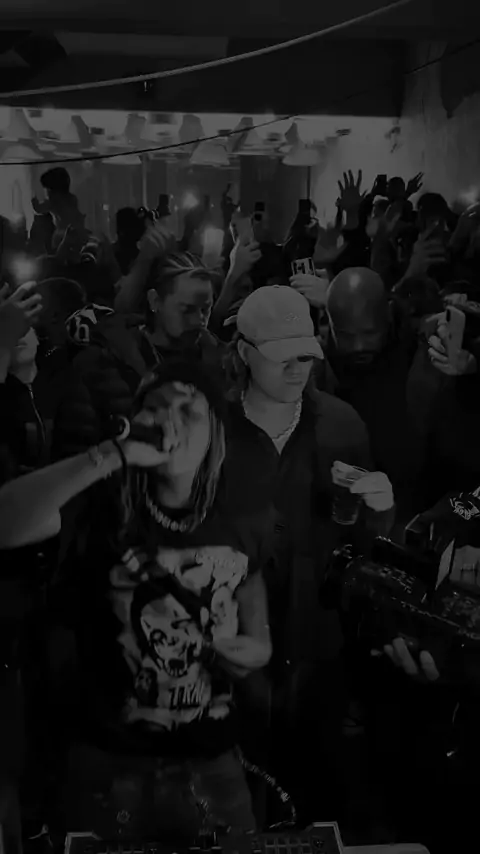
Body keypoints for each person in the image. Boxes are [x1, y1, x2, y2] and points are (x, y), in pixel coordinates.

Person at [0, 360, 272, 841]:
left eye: (189, 408)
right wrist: (114, 454)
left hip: (213, 763)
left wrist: (255, 650)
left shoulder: (242, 512)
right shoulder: (103, 505)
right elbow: (6, 522)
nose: (170, 419)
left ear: (214, 430)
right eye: (157, 406)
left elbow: (254, 610)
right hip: (110, 767)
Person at [222, 285, 395, 825]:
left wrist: (380, 512)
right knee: (233, 799)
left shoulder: (341, 425)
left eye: (306, 356)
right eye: (282, 357)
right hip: (230, 654)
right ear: (244, 352)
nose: (297, 370)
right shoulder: (210, 429)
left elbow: (363, 551)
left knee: (312, 796)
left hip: (316, 653)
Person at [52, 252, 224, 459]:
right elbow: (74, 458)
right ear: (155, 301)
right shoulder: (100, 365)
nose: (199, 320)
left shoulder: (221, 364)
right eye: (187, 309)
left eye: (206, 309)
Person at [324, 266, 426, 523]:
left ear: (388, 315)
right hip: (350, 513)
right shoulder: (317, 371)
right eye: (346, 336)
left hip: (416, 507)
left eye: (369, 334)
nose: (358, 346)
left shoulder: (420, 353)